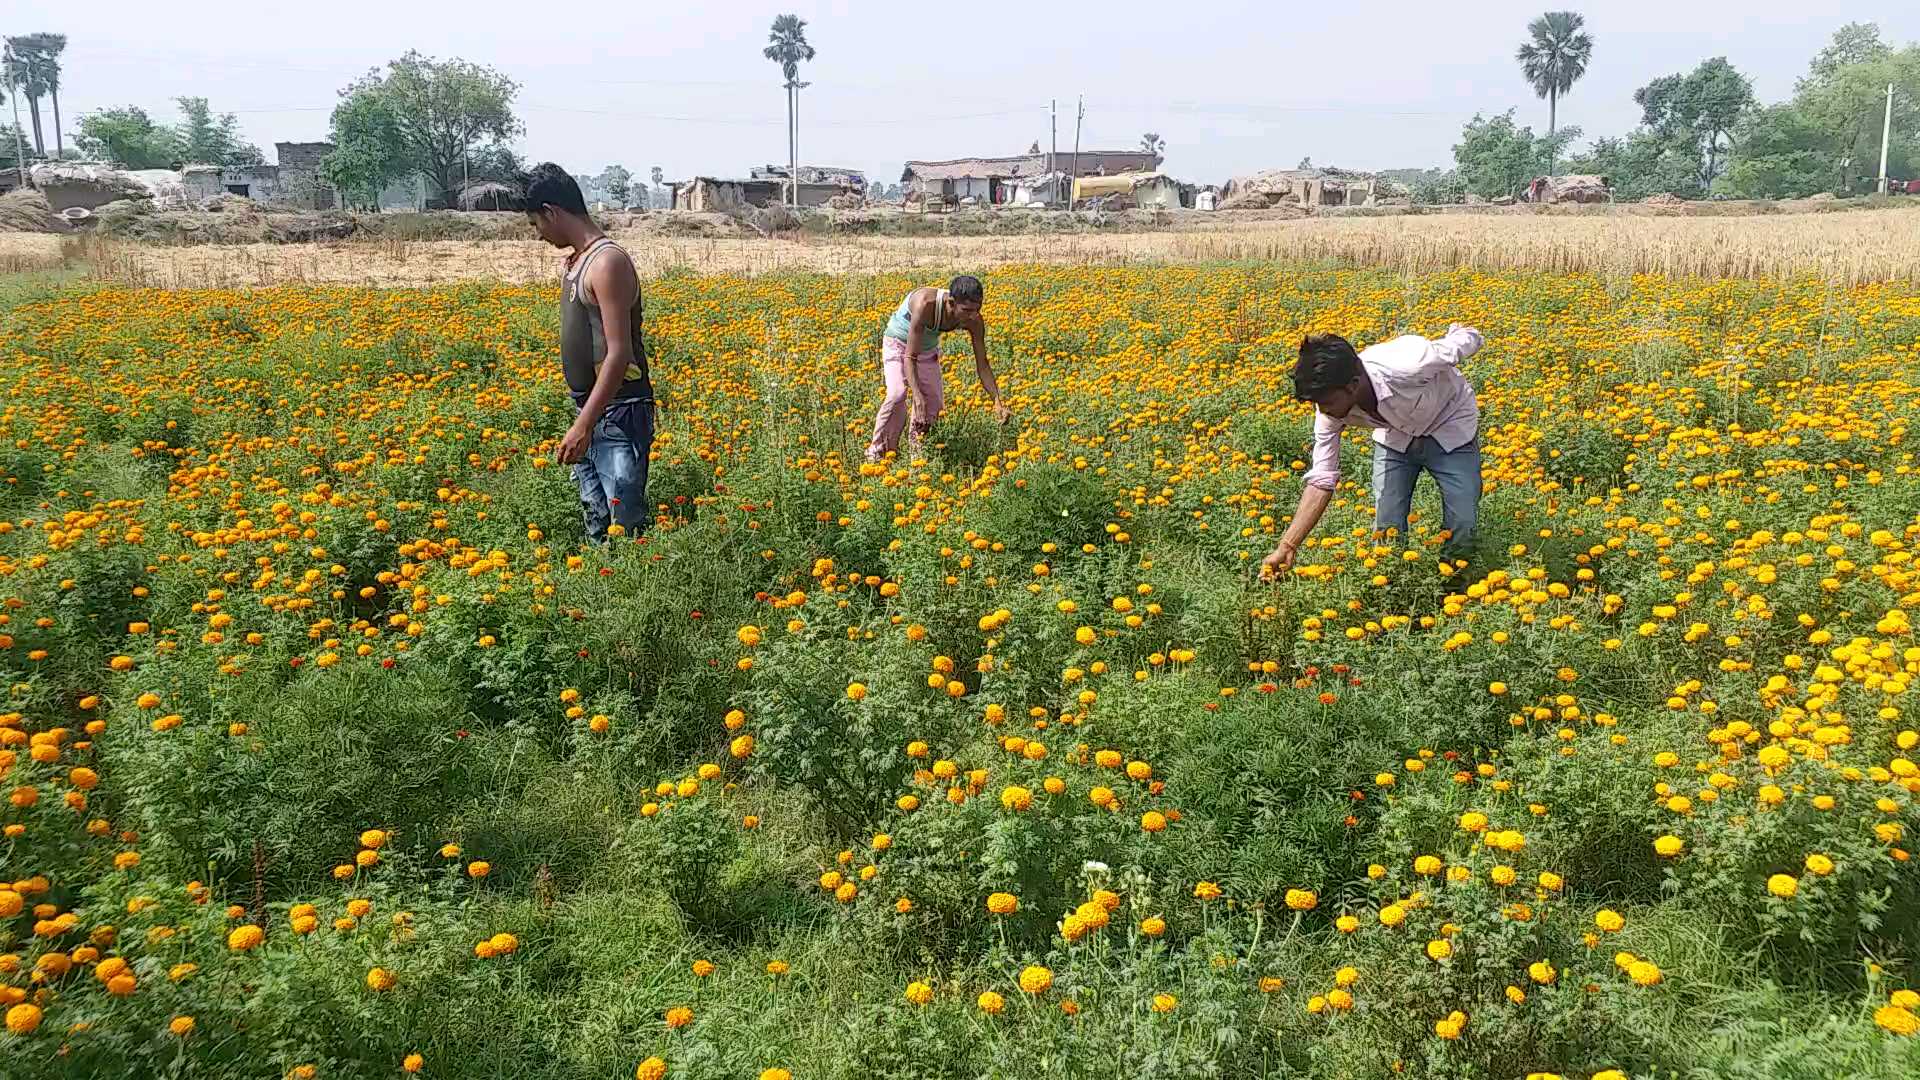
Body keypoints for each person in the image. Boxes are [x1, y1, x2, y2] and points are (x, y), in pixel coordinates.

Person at [1262, 324, 1486, 575]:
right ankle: (1393, 589)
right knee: (1387, 525)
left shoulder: (1412, 363)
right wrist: (1288, 546)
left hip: (1450, 426)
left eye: (1326, 402)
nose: (1322, 410)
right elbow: (1322, 478)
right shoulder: (1329, 409)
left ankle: (1455, 587)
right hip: (1396, 437)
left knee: (1463, 522)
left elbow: (1459, 345)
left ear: (1354, 384)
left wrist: (1462, 332)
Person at [521, 162, 655, 542]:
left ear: (552, 212)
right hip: (593, 408)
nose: (539, 234)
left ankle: (630, 595)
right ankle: (606, 592)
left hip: (618, 412)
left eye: (536, 224)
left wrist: (583, 426)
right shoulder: (579, 261)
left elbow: (618, 354)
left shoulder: (607, 262)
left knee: (622, 524)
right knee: (599, 523)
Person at [866, 275, 1009, 462]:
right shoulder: (926, 304)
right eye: (966, 310)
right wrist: (917, 396)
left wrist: (997, 400)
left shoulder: (974, 320)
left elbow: (982, 365)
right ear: (951, 302)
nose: (972, 316)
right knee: (897, 394)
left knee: (933, 406)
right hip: (898, 344)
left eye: (977, 309)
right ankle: (878, 455)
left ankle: (918, 458)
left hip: (926, 350)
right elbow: (910, 357)